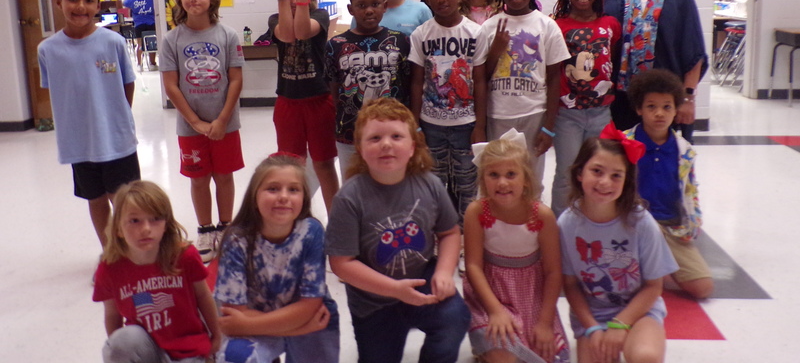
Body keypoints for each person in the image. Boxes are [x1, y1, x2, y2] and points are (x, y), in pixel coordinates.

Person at [326, 98, 470, 363]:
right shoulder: (349, 198)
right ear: (359, 147)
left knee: (455, 318)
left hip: (422, 280)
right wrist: (394, 289)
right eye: (375, 138)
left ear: (412, 146)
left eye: (396, 136)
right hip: (373, 301)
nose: (386, 144)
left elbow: (450, 232)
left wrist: (443, 272)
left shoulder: (430, 184)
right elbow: (341, 263)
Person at [38, 0, 140, 248]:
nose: (80, 7)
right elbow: (57, 91)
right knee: (95, 200)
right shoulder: (48, 50)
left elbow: (127, 85)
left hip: (117, 140)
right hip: (79, 144)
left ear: (98, 4)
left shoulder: (113, 42)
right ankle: (110, 254)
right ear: (59, 2)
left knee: (127, 203)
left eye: (88, 0)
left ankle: (132, 254)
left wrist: (117, 119)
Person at [558, 126, 678, 363]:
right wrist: (592, 328)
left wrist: (621, 324)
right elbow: (570, 285)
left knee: (646, 357)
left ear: (626, 180)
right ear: (580, 173)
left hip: (639, 312)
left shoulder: (641, 223)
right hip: (592, 316)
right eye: (597, 171)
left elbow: (654, 287)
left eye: (616, 175)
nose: (605, 182)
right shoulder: (566, 224)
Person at [215, 154, 339, 363]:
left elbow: (311, 305)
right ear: (255, 196)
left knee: (323, 318)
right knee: (235, 357)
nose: (283, 196)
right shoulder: (237, 239)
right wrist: (298, 328)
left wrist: (246, 324)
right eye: (272, 189)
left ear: (304, 197)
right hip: (291, 321)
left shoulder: (311, 231)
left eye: (293, 189)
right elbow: (233, 313)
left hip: (309, 318)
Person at [462, 128, 570, 363]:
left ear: (526, 178)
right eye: (493, 175)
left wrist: (544, 322)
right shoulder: (476, 211)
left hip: (530, 292)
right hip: (489, 292)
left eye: (511, 174)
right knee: (504, 355)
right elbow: (473, 266)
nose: (502, 183)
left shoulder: (542, 215)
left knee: (545, 351)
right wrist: (495, 310)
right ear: (483, 179)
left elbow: (553, 272)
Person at [160, 0, 245, 263]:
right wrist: (195, 122)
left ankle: (226, 227)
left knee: (224, 175)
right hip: (190, 125)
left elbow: (235, 79)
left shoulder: (227, 35)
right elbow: (171, 85)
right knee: (198, 179)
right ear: (179, 0)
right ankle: (205, 230)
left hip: (225, 123)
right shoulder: (171, 39)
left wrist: (221, 119)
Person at [604, 0, 708, 141]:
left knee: (660, 165)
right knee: (621, 166)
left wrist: (688, 98)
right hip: (619, 99)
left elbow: (693, 51)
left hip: (664, 101)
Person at [92, 180, 220, 363]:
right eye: (134, 220)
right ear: (118, 228)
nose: (146, 229)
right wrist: (120, 353)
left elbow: (204, 296)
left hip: (188, 347)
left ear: (166, 225)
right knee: (121, 343)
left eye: (155, 219)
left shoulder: (184, 256)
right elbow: (112, 315)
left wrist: (216, 335)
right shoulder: (109, 268)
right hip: (145, 348)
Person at [409, 0, 488, 223]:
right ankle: (439, 236)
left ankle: (467, 239)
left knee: (467, 185)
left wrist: (480, 125)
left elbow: (480, 82)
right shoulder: (421, 34)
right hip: (431, 125)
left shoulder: (476, 32)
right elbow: (416, 82)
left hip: (466, 125)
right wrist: (415, 125)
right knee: (433, 184)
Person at [481, 0, 570, 186]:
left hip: (533, 114)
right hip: (498, 115)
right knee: (499, 177)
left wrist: (548, 127)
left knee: (531, 181)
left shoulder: (546, 26)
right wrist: (495, 52)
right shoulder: (490, 27)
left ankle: (531, 221)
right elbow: (481, 77)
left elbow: (553, 79)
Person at [626, 69, 713, 299]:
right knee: (626, 287)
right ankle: (652, 265)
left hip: (671, 227)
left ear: (676, 111)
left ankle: (661, 262)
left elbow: (690, 191)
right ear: (639, 109)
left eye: (667, 107)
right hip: (632, 227)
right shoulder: (624, 145)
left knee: (703, 288)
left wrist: (692, 222)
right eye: (651, 106)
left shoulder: (684, 150)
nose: (659, 114)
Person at [550, 0, 622, 218]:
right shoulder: (557, 26)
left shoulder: (611, 24)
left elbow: (609, 60)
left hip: (601, 113)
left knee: (601, 170)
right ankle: (560, 227)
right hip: (567, 115)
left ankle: (597, 220)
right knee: (567, 172)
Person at [269, 0, 339, 213]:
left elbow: (301, 31)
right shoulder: (276, 19)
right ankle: (295, 219)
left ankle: (337, 223)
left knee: (323, 164)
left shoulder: (319, 15)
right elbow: (288, 35)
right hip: (288, 102)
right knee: (290, 167)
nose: (293, 1)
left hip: (319, 101)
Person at [327, 0, 410, 180]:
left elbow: (408, 84)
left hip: (392, 131)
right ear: (351, 9)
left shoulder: (400, 40)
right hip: (350, 133)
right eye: (361, 6)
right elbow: (333, 89)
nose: (369, 10)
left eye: (374, 4)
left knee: (391, 183)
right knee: (352, 185)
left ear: (384, 6)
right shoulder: (336, 44)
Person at [124, 0, 157, 70]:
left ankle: (139, 65)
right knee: (152, 43)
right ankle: (152, 64)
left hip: (139, 24)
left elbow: (125, 3)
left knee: (139, 44)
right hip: (152, 23)